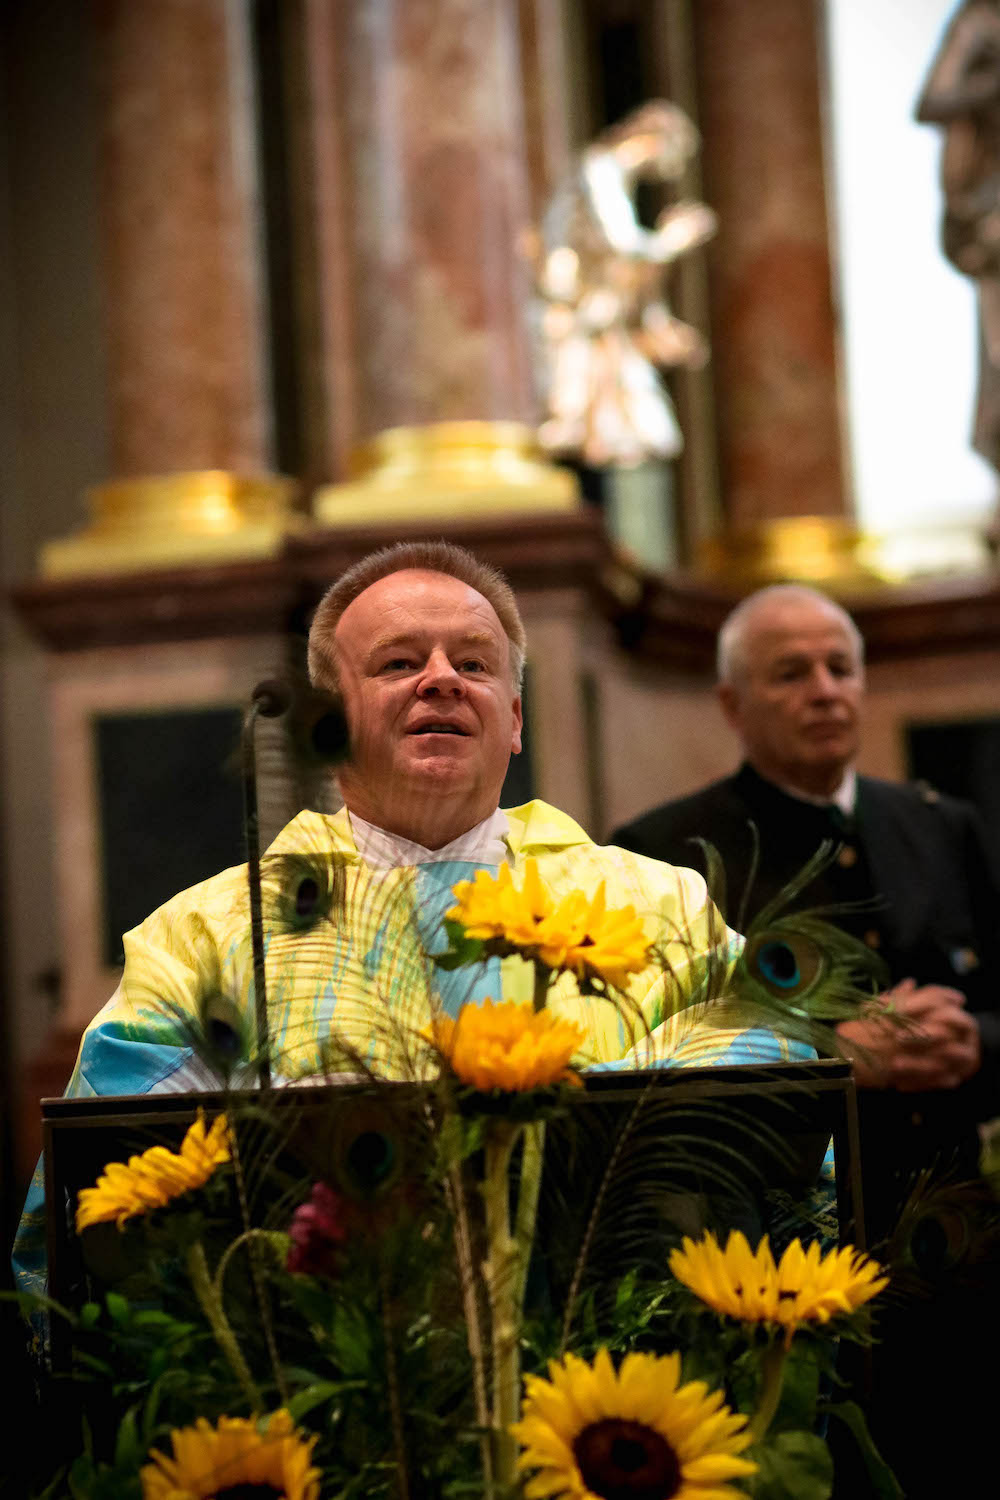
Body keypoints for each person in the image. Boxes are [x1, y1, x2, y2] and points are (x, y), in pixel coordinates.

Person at [15, 543, 813, 1294]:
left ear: (515, 717)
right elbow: (115, 1149)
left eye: (473, 664)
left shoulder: (655, 904)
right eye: (399, 663)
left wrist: (561, 1118)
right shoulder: (210, 933)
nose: (442, 680)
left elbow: (775, 1061)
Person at [611, 582, 1000, 1496]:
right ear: (731, 704)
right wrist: (829, 1051)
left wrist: (976, 1041)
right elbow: (654, 1059)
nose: (826, 690)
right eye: (792, 674)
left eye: (841, 668)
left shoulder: (942, 826)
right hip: (779, 1272)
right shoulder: (667, 855)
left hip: (963, 1261)